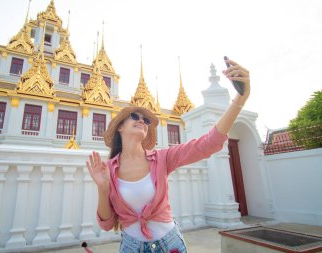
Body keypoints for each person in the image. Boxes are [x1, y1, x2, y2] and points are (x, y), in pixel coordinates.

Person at [86, 59, 250, 253]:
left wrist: (240, 99)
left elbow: (208, 143)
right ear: (120, 126)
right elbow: (107, 224)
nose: (142, 121)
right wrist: (103, 188)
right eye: (135, 117)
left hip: (169, 245)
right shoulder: (109, 170)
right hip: (131, 247)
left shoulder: (162, 158)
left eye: (146, 120)